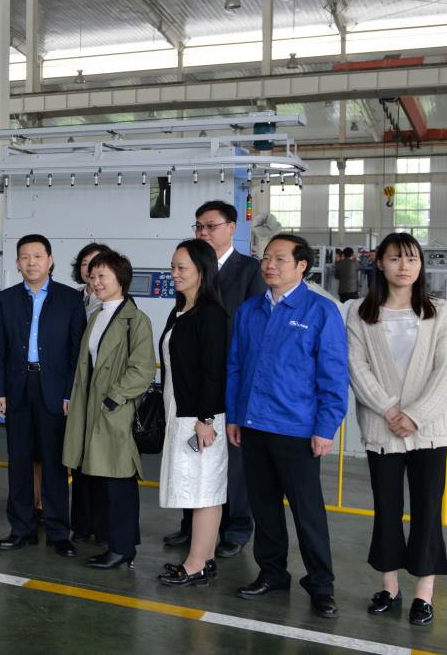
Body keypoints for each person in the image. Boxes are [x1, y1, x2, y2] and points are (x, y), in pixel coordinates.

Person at [227, 234, 348, 618]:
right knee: (264, 508)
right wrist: (235, 416)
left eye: (279, 258)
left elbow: (334, 375)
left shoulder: (320, 311)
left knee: (307, 512)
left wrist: (326, 427)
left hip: (297, 429)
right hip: (254, 425)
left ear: (301, 266)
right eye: (266, 258)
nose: (269, 265)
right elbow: (236, 367)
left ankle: (321, 585)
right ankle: (272, 573)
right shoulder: (249, 310)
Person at [346, 233, 447, 626]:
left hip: (430, 430)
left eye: (411, 258)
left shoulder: (440, 312)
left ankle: (424, 593)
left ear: (420, 265)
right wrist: (389, 410)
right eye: (395, 258)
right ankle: (389, 586)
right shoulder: (360, 312)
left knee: (428, 509)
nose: (404, 266)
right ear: (379, 263)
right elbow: (356, 367)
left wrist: (414, 414)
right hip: (382, 428)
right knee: (387, 508)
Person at [166, 200, 266, 558]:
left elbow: (253, 326)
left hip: (230, 376)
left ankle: (236, 527)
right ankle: (193, 525)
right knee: (193, 457)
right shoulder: (190, 271)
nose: (203, 232)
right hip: (195, 379)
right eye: (198, 226)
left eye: (211, 226)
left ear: (231, 228)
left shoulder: (249, 270)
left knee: (231, 461)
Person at [0, 234, 84, 556]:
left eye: (38, 256)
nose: (31, 263)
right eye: (25, 257)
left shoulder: (69, 299)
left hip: (55, 390)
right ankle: (22, 530)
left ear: (50, 260)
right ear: (17, 263)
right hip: (17, 387)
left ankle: (58, 533)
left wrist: (70, 392)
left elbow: (77, 353)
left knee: (55, 464)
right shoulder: (5, 299)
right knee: (19, 463)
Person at [63, 249, 156, 569]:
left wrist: (114, 399)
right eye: (93, 276)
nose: (96, 282)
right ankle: (114, 542)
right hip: (91, 409)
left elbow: (143, 369)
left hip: (114, 411)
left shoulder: (136, 320)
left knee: (119, 480)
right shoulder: (98, 316)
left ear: (121, 278)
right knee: (100, 479)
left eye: (103, 276)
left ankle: (122, 547)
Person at [156, 239, 231, 587]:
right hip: (180, 411)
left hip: (200, 417)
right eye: (172, 267)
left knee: (205, 490)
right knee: (198, 488)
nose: (174, 273)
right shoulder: (180, 311)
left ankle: (196, 563)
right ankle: (206, 558)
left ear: (202, 270)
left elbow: (214, 371)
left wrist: (206, 419)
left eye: (181, 267)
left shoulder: (211, 314)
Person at [67, 241, 111, 544]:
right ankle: (81, 524)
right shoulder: (71, 298)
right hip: (74, 390)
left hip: (102, 395)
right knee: (79, 460)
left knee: (102, 462)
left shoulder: (117, 306)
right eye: (86, 264)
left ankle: (102, 524)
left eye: (98, 266)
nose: (91, 271)